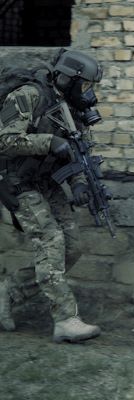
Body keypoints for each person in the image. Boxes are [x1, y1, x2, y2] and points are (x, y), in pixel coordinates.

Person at [0, 48, 103, 342]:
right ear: (68, 77)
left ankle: (9, 291)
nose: (85, 91)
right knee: (51, 241)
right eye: (82, 83)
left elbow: (75, 152)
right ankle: (66, 319)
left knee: (72, 247)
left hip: (46, 181)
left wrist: (80, 182)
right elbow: (4, 139)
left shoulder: (69, 107)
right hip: (17, 181)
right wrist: (49, 141)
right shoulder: (28, 95)